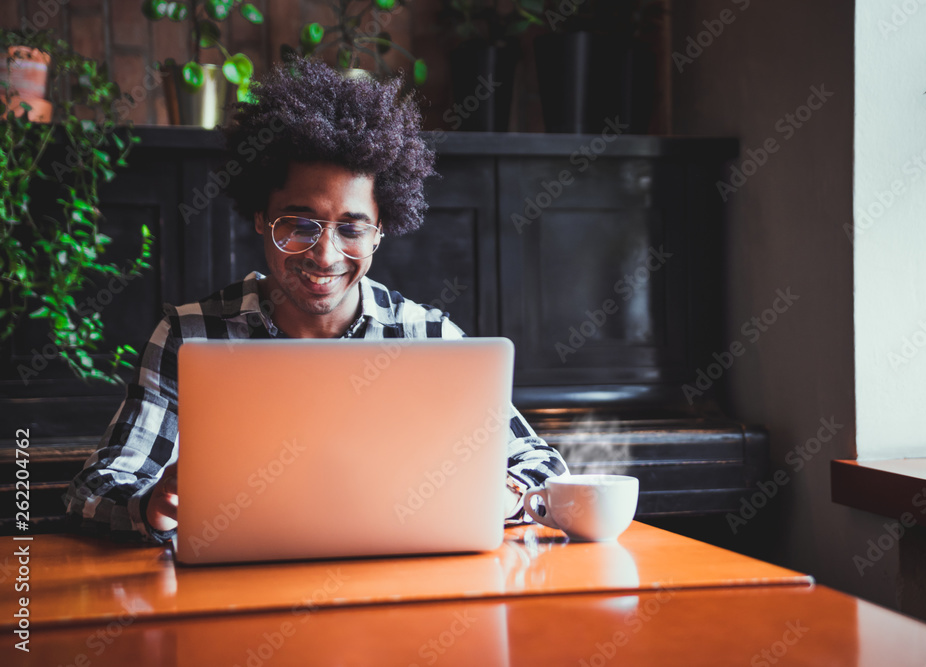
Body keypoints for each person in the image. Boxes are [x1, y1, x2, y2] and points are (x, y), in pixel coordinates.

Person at [63, 58, 568, 543]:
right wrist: (154, 506)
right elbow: (96, 488)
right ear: (261, 215)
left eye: (351, 228)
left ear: (380, 232)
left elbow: (542, 466)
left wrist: (504, 498)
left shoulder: (429, 337)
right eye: (299, 225)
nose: (324, 255)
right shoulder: (189, 336)